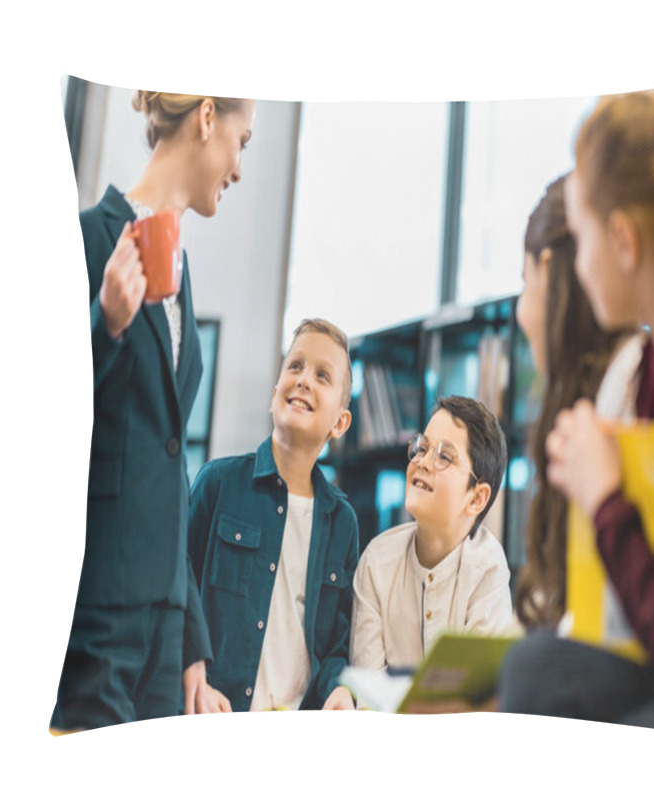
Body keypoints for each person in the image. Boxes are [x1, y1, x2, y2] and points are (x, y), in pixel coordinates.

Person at [498, 91, 654, 735]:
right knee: (535, 668)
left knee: (535, 674)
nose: (579, 264)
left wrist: (604, 499)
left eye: (584, 235)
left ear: (622, 239)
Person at [51, 91, 256, 731]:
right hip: (94, 617)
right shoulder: (82, 240)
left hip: (163, 640)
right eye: (241, 141)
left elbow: (171, 463)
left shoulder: (182, 271)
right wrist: (104, 325)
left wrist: (191, 640)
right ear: (204, 117)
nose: (240, 167)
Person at [187, 319, 359, 712]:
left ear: (340, 423)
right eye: (294, 366)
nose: (303, 381)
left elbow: (335, 645)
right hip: (212, 716)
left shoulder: (342, 524)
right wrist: (191, 677)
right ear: (274, 393)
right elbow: (176, 601)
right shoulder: (218, 483)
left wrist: (339, 688)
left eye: (322, 376)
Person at [514, 174, 639, 632]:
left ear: (546, 269)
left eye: (523, 280)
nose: (520, 312)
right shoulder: (617, 380)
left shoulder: (626, 386)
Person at [350, 395, 516, 673]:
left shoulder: (487, 567)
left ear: (476, 499)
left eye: (444, 457)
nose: (422, 462)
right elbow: (367, 691)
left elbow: (476, 693)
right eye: (422, 448)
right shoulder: (377, 562)